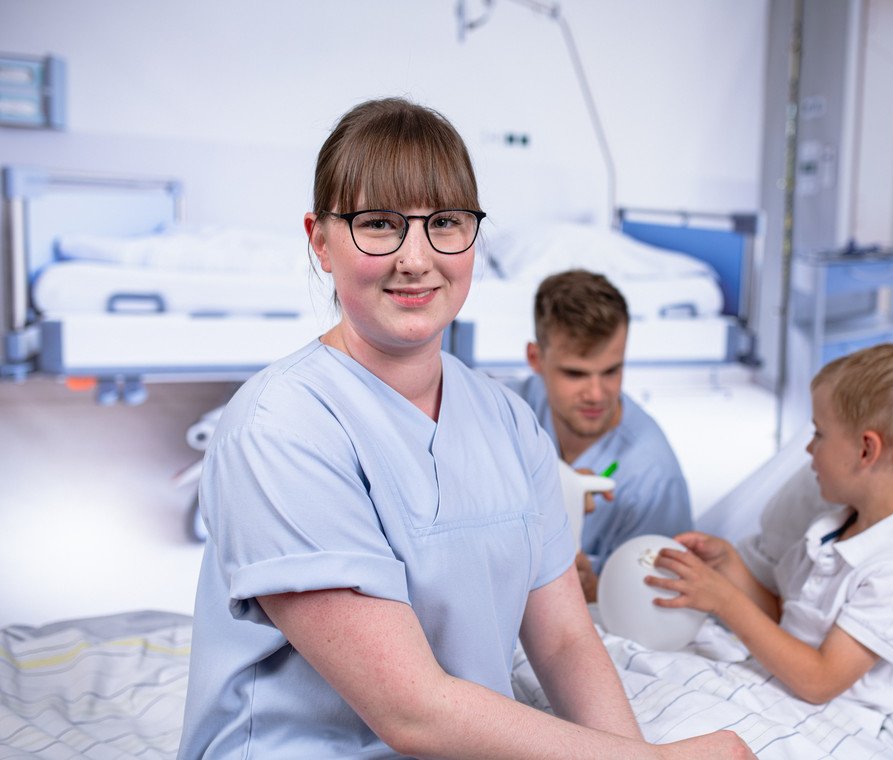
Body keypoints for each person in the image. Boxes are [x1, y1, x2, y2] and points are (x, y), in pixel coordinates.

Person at [177, 98, 748, 759]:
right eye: (379, 224)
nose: (416, 258)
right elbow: (411, 712)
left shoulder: (508, 421)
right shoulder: (280, 429)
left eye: (445, 222)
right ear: (320, 241)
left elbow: (565, 642)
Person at [649, 343, 893, 733]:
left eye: (819, 433)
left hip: (821, 724)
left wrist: (725, 601)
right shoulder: (833, 528)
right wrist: (730, 568)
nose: (809, 448)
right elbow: (788, 621)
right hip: (770, 689)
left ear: (866, 450)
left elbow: (819, 680)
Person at [510, 269, 693, 603]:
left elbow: (659, 603)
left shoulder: (653, 477)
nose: (596, 394)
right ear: (535, 359)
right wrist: (545, 488)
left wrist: (594, 591)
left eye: (611, 371)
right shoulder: (504, 411)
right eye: (575, 374)